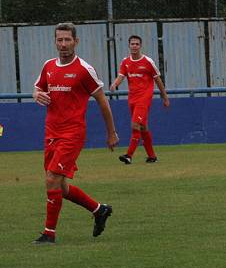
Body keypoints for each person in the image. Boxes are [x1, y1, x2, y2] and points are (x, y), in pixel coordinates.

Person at [32, 22, 118, 244]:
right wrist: (36, 94)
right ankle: (99, 210)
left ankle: (48, 234)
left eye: (67, 40)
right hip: (51, 132)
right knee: (61, 186)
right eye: (59, 40)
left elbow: (102, 101)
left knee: (51, 179)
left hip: (72, 134)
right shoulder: (48, 66)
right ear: (55, 42)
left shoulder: (84, 70)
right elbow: (39, 87)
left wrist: (111, 133)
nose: (63, 44)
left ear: (76, 42)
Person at [110, 35, 169, 164]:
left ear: (140, 46)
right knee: (143, 127)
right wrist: (115, 84)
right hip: (132, 98)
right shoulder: (125, 61)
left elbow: (158, 79)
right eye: (132, 44)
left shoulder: (148, 62)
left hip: (144, 98)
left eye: (137, 44)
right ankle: (152, 156)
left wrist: (164, 97)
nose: (134, 46)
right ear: (129, 45)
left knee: (135, 125)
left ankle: (128, 155)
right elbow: (121, 75)